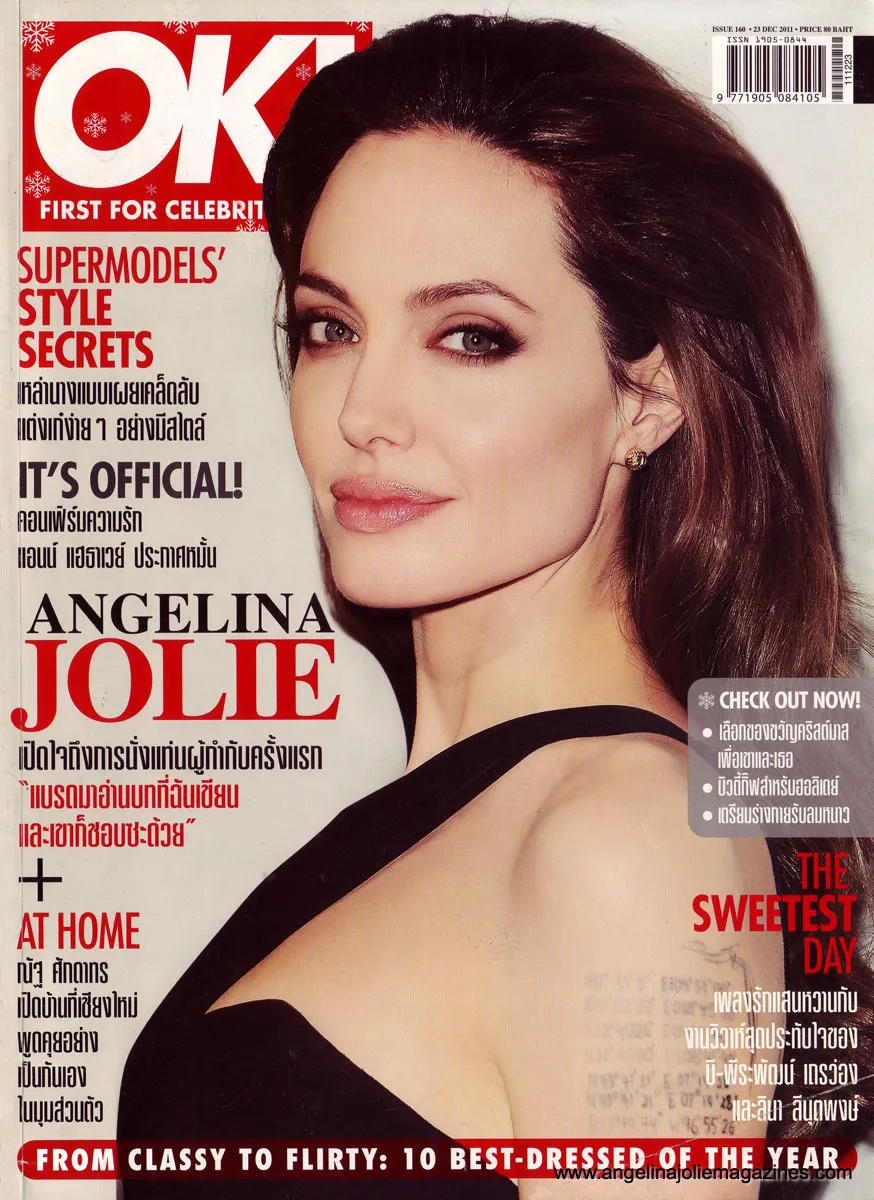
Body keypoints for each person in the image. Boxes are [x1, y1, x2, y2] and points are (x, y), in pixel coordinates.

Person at [118, 14, 873, 1197]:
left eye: (470, 337)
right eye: (330, 327)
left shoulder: (623, 838)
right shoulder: (478, 817)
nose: (363, 411)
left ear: (647, 399)